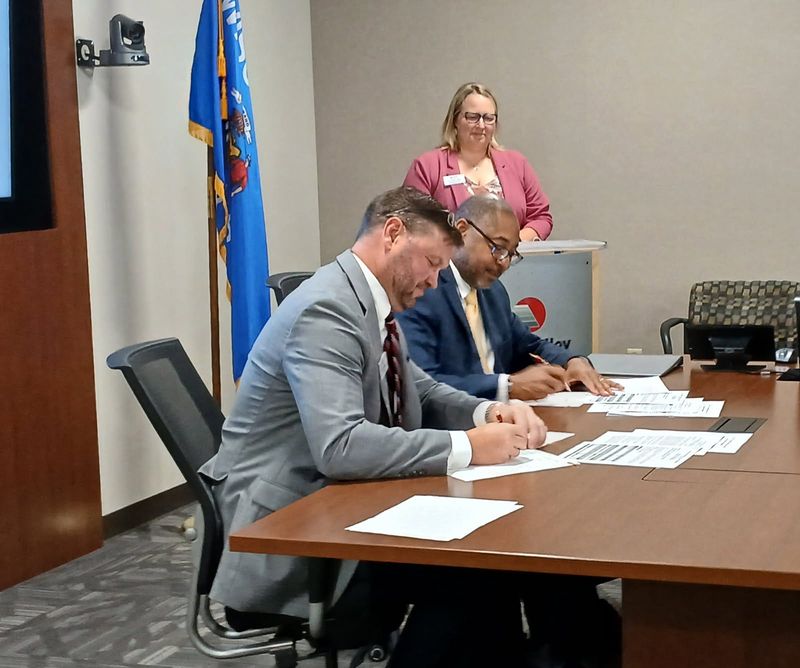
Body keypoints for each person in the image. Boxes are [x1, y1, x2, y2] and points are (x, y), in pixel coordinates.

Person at [199, 186, 549, 667]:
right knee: (474, 578)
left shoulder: (369, 299)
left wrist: (485, 413)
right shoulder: (327, 309)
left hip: (338, 505)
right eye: (430, 263)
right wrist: (467, 446)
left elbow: (421, 389)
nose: (434, 281)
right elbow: (340, 447)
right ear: (392, 234)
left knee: (490, 566)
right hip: (289, 536)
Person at [397, 195, 621, 400]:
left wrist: (572, 361)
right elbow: (422, 385)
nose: (504, 262)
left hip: (508, 422)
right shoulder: (422, 291)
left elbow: (529, 345)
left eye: (511, 254)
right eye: (498, 248)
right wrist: (505, 386)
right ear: (461, 230)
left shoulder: (494, 293)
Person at [404, 81, 553, 242]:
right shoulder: (427, 166)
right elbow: (411, 222)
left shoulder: (517, 163)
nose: (481, 125)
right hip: (448, 265)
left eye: (489, 118)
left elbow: (540, 217)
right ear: (455, 120)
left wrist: (511, 244)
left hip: (513, 263)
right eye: (473, 117)